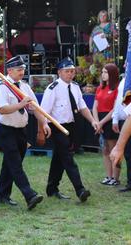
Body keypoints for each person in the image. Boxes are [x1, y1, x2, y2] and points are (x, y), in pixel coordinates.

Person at [0, 56, 50, 210]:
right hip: (5, 128)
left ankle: (3, 195)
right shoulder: (3, 86)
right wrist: (20, 104)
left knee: (10, 163)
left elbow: (35, 108)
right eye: (19, 70)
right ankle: (29, 194)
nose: (21, 72)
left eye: (23, 69)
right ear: (9, 70)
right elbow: (2, 109)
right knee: (15, 163)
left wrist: (43, 123)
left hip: (20, 129)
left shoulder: (24, 86)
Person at [41, 57, 97, 202]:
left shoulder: (75, 86)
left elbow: (82, 106)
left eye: (72, 71)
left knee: (59, 158)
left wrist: (92, 121)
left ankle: (52, 188)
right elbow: (44, 111)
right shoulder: (52, 88)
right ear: (59, 72)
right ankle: (80, 190)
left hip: (72, 126)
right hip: (57, 126)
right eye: (67, 71)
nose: (70, 74)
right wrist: (44, 126)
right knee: (67, 157)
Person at [92, 63, 120, 185]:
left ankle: (115, 178)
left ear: (112, 74)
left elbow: (115, 109)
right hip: (100, 120)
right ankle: (108, 176)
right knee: (105, 149)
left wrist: (102, 122)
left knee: (114, 149)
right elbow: (94, 107)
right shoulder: (99, 88)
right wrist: (97, 122)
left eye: (106, 72)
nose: (103, 75)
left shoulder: (117, 89)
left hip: (111, 119)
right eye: (102, 72)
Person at [112, 76, 131, 192]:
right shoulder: (124, 81)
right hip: (125, 120)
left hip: (128, 119)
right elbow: (118, 102)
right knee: (128, 153)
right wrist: (115, 119)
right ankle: (130, 182)